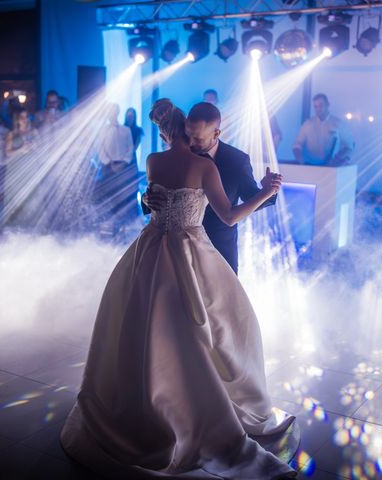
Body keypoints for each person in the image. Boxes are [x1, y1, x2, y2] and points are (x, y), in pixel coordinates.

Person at [61, 98, 297, 479]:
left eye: (201, 136)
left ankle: (180, 398)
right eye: (191, 135)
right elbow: (224, 213)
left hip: (170, 251)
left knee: (191, 328)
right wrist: (269, 191)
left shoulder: (192, 160)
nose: (196, 140)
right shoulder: (200, 164)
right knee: (187, 333)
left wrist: (262, 191)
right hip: (191, 250)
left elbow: (167, 198)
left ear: (213, 132)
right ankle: (189, 405)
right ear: (184, 129)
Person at [145, 102, 279, 274]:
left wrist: (268, 190)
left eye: (198, 139)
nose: (191, 143)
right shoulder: (181, 154)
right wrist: (146, 199)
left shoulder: (237, 161)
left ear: (216, 133)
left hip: (219, 249)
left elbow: (249, 198)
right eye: (188, 135)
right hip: (175, 250)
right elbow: (167, 194)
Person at [292, 93, 354, 166]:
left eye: (321, 105)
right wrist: (300, 161)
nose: (318, 109)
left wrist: (337, 159)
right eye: (315, 106)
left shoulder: (338, 124)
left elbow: (349, 146)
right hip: (309, 167)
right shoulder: (308, 124)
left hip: (330, 169)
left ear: (327, 104)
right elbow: (296, 145)